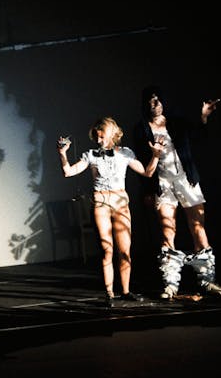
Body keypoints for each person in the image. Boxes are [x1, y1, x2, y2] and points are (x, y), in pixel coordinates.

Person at [58, 117, 163, 307]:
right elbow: (69, 172)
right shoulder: (90, 155)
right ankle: (109, 293)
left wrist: (155, 155)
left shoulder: (125, 153)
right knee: (108, 249)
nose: (98, 140)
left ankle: (125, 290)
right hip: (101, 203)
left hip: (121, 203)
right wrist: (63, 154)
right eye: (96, 137)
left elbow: (147, 172)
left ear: (112, 134)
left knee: (125, 251)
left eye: (102, 136)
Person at [132, 85, 221, 299]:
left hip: (185, 178)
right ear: (145, 104)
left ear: (164, 101)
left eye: (158, 99)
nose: (154, 104)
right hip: (162, 182)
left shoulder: (176, 122)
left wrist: (203, 117)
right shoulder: (141, 128)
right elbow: (140, 160)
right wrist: (146, 190)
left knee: (197, 227)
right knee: (167, 231)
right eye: (150, 100)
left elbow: (199, 136)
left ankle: (207, 280)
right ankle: (171, 284)